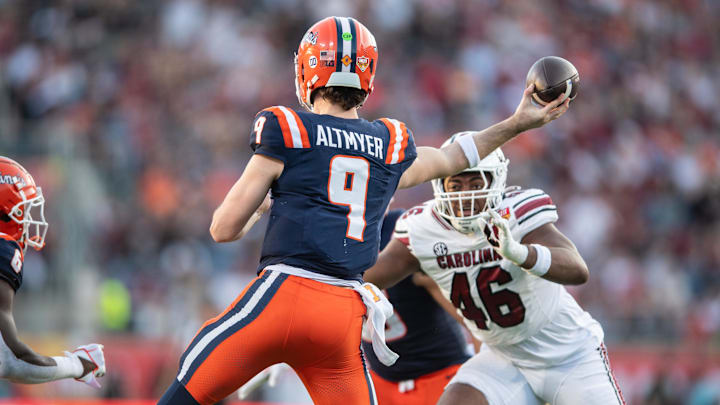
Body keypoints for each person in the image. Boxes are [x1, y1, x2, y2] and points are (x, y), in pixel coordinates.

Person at [159, 16, 569, 405]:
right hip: (342, 314)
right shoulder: (386, 143)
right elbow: (451, 159)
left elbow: (223, 229)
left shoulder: (288, 129)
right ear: (366, 76)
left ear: (308, 70)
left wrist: (261, 207)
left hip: (284, 294)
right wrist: (517, 122)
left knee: (189, 387)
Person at [363, 136, 625, 405]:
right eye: (456, 185)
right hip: (503, 356)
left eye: (476, 184)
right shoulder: (423, 229)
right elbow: (367, 276)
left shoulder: (516, 213)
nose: (466, 195)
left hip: (567, 353)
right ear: (440, 185)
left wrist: (521, 253)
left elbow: (577, 268)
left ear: (496, 182)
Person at [0, 156, 106, 387]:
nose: (27, 220)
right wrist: (76, 366)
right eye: (23, 209)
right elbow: (12, 356)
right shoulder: (4, 247)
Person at [361, 208, 474, 405]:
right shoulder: (328, 234)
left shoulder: (403, 230)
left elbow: (473, 321)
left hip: (439, 374)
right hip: (380, 379)